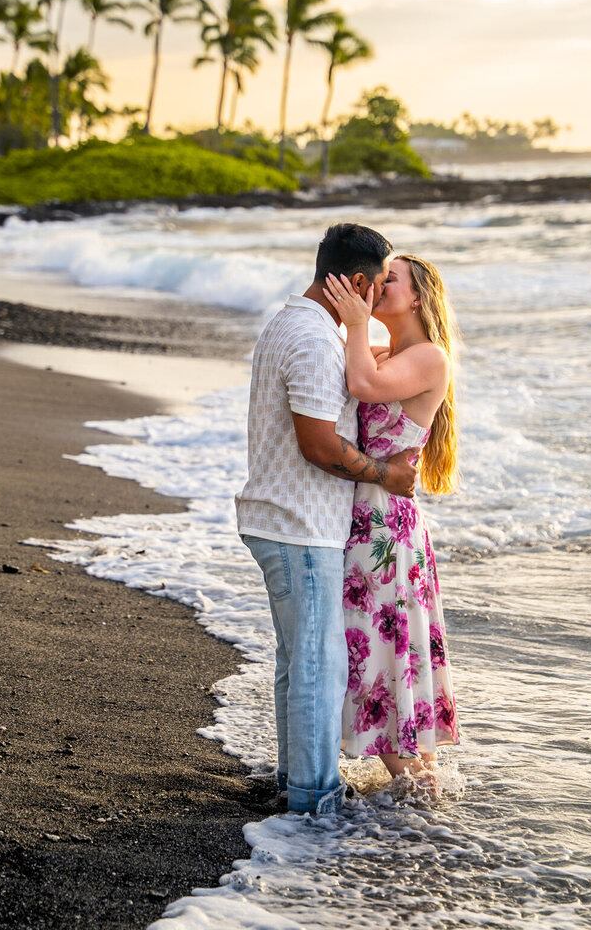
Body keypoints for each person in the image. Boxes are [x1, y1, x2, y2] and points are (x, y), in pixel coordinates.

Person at [236, 224, 421, 816]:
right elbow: (319, 445)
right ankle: (314, 799)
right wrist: (385, 476)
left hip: (285, 519)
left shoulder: (293, 322)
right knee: (317, 666)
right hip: (299, 523)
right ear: (360, 284)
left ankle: (295, 781)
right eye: (378, 283)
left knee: (299, 663)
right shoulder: (315, 341)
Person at [322, 255, 461, 782]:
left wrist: (355, 322)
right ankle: (423, 808)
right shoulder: (387, 352)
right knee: (384, 653)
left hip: (384, 525)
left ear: (420, 297)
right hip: (372, 516)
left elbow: (363, 386)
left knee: (377, 654)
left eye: (391, 278)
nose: (378, 284)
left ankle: (422, 812)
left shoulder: (430, 357)